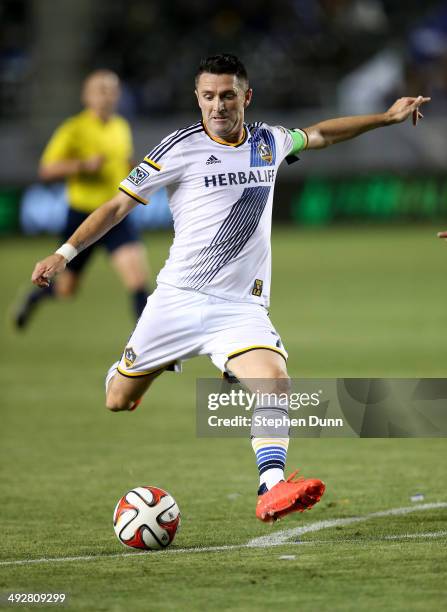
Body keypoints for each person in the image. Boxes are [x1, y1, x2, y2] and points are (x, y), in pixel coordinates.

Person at [30, 54, 430, 523]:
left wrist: (385, 117)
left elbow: (321, 133)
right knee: (119, 399)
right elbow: (117, 207)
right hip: (176, 302)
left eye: (227, 95)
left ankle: (272, 486)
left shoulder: (269, 141)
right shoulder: (177, 148)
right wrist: (65, 253)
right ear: (197, 98)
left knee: (276, 382)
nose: (217, 105)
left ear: (246, 96)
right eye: (208, 96)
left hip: (239, 309)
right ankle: (142, 364)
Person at [15, 69, 151, 329]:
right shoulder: (74, 129)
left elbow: (125, 162)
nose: (107, 95)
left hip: (116, 215)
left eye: (112, 89)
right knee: (66, 290)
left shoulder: (121, 126)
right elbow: (46, 169)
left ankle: (147, 348)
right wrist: (82, 165)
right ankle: (35, 297)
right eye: (101, 89)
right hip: (82, 217)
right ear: (86, 96)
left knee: (137, 279)